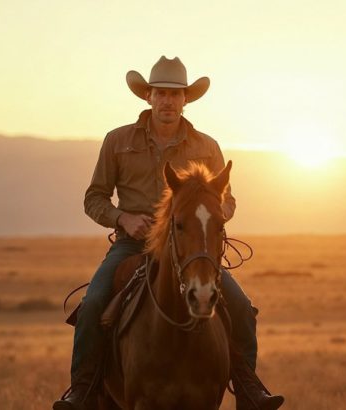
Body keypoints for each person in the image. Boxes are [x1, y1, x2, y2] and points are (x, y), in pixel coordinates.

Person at [54, 56, 284, 410]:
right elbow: (94, 198)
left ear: (186, 100)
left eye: (175, 95)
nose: (167, 101)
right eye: (161, 93)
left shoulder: (206, 147)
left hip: (189, 246)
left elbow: (228, 198)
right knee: (92, 305)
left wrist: (217, 212)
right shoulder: (117, 141)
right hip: (132, 246)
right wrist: (122, 218)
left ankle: (250, 391)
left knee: (241, 309)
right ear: (148, 96)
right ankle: (82, 392)